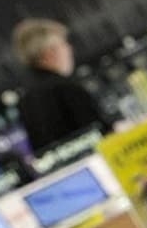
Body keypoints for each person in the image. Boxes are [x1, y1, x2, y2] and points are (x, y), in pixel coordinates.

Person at [12, 19, 108, 152]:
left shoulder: (25, 100)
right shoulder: (67, 88)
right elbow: (100, 133)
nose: (69, 49)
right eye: (63, 44)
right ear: (49, 52)